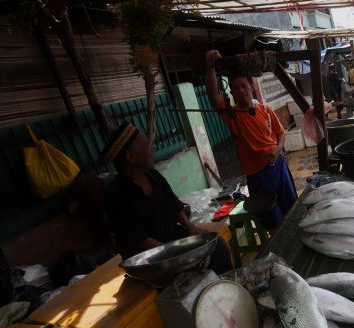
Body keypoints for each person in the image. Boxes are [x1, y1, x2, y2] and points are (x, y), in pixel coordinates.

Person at [103, 123, 234, 273]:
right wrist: (180, 253)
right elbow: (141, 240)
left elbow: (174, 204)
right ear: (132, 157)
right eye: (147, 145)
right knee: (194, 270)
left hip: (173, 240)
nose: (152, 149)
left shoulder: (153, 176)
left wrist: (190, 226)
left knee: (219, 247)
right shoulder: (116, 196)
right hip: (149, 258)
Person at [204, 50, 298, 229]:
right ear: (232, 92)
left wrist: (278, 149)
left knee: (291, 208)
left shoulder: (266, 110)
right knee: (272, 220)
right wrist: (210, 67)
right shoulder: (233, 114)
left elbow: (281, 133)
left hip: (278, 166)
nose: (240, 91)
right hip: (257, 174)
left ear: (251, 88)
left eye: (243, 86)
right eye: (236, 88)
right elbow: (215, 100)